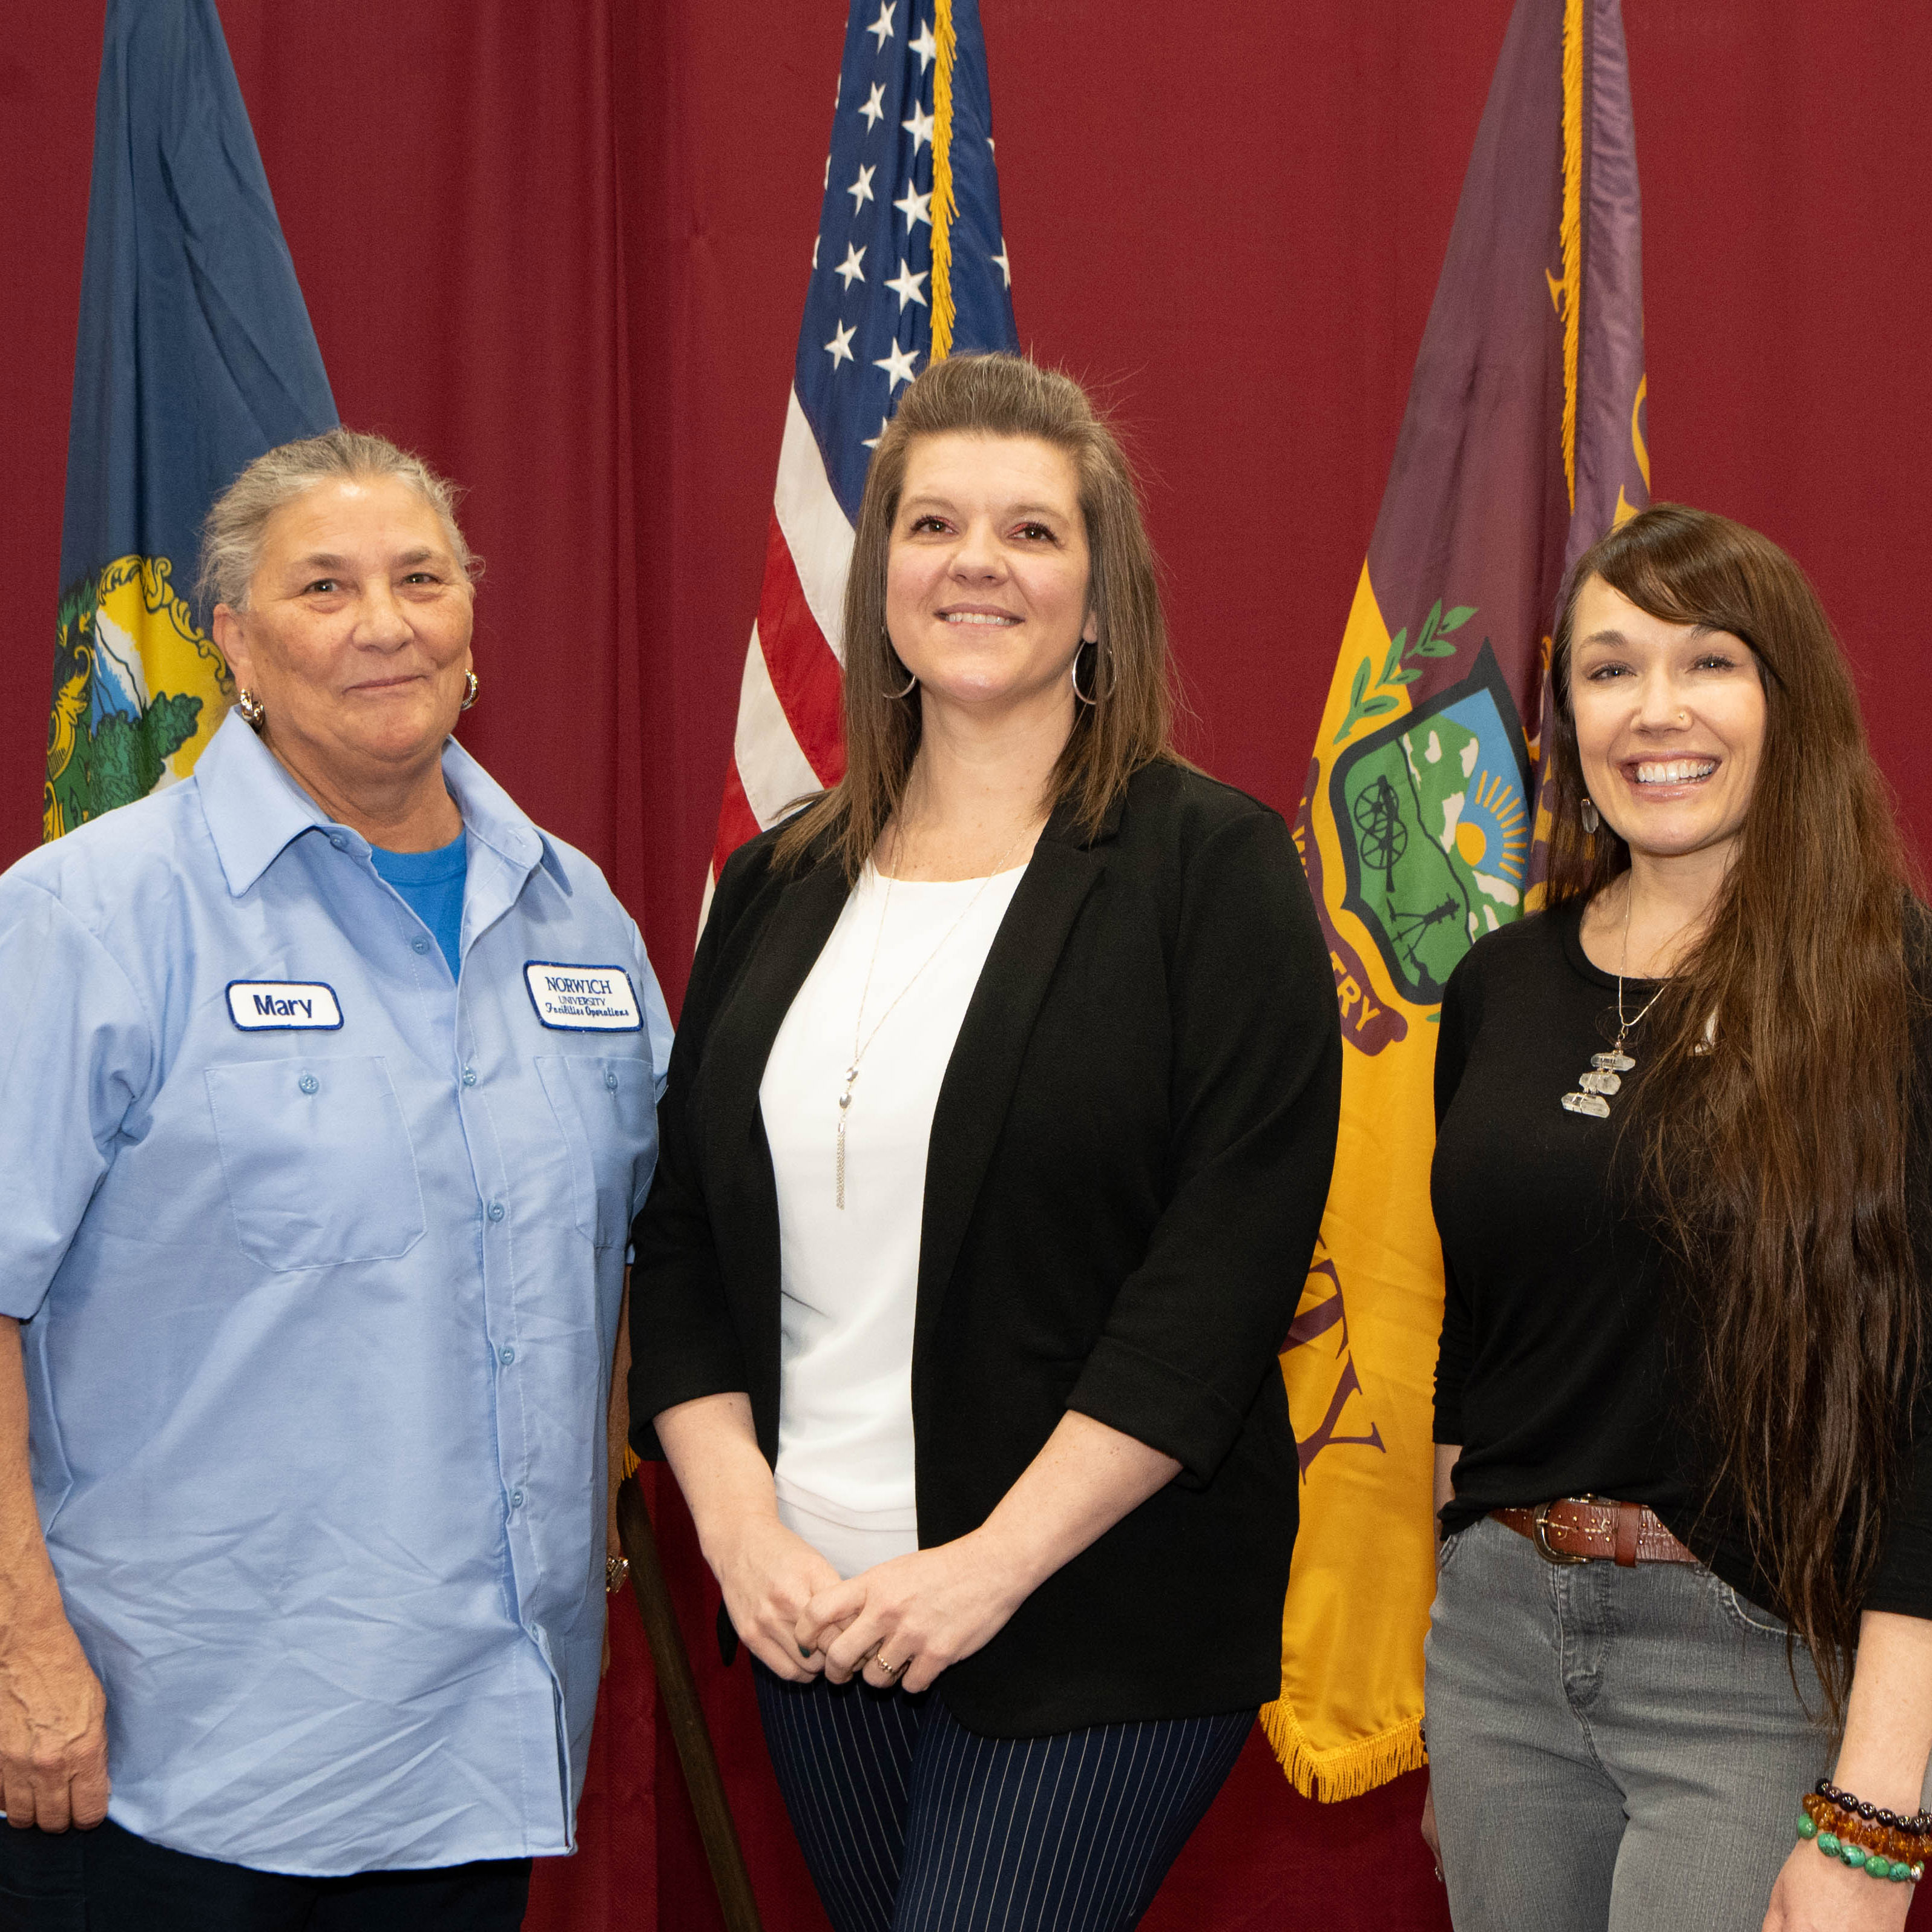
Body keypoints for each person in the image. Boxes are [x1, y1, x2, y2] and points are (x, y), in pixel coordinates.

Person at [626, 353, 1341, 1932]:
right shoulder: (777, 888)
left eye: (1031, 532)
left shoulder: (1206, 870)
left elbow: (1217, 1281)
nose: (975, 564)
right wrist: (741, 1534)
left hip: (1095, 1618)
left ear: (1101, 602)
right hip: (820, 1629)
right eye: (934, 523)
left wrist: (989, 1567)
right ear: (879, 571)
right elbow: (678, 1241)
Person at [0, 429, 672, 1928]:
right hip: (168, 1764)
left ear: (471, 621)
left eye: (421, 577)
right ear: (232, 638)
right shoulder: (93, 920)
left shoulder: (579, 921)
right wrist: (16, 1645)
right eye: (324, 585)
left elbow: (640, 1256)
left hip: (477, 1748)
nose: (385, 622)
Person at [1420, 503, 1932, 1932]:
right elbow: (1482, 1336)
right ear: (1563, 715)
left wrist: (1876, 1824)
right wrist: (1449, 1648)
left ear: (1788, 698)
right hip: (1498, 1660)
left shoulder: (1894, 988)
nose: (1657, 711)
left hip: (1750, 1664)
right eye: (1608, 668)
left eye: (1709, 662)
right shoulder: (1499, 987)